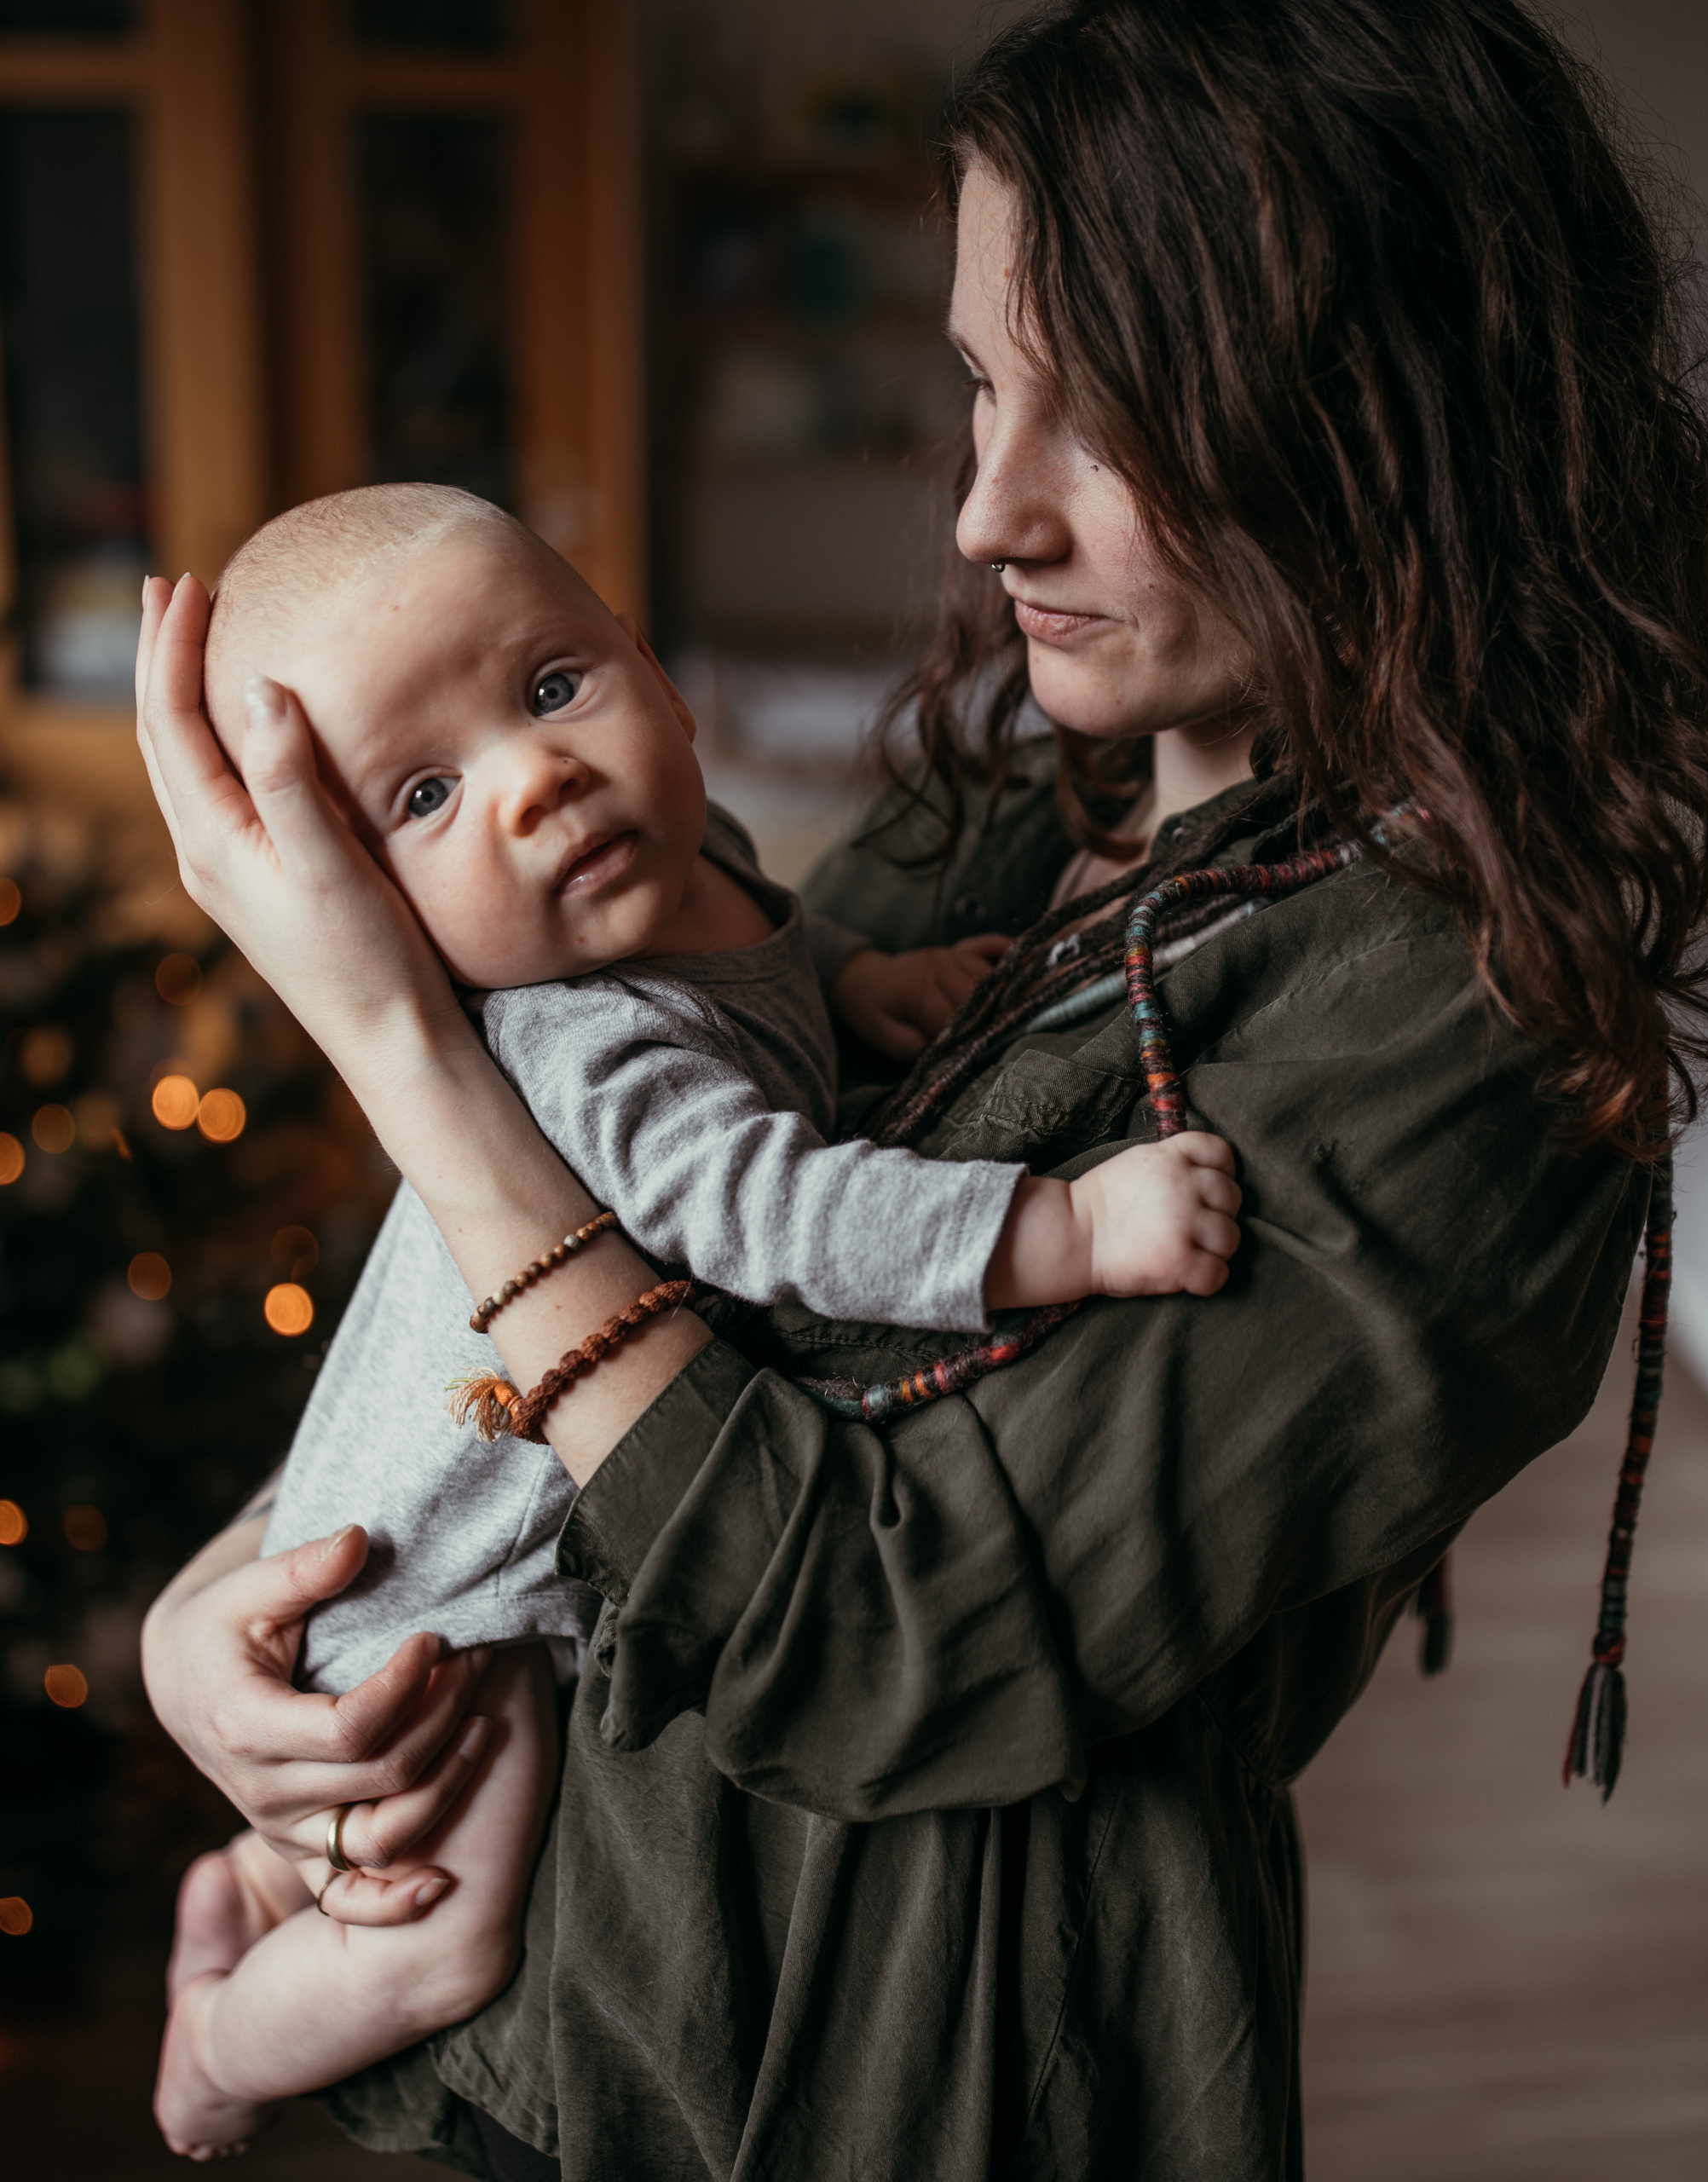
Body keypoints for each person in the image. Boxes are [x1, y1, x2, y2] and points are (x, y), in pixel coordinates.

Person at [136, 2, 1708, 2174]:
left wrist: (397, 1046)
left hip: (919, 2083)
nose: (992, 511)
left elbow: (880, 1642)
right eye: (984, 386)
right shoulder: (999, 820)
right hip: (574, 2025)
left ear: (1398, 423)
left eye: (1120, 416)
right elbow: (593, 1224)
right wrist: (228, 1595)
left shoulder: (1462, 1035)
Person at [149, 482, 1243, 2161]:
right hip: (424, 1618)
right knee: (438, 1937)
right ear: (364, 912)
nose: (537, 779)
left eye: (552, 686)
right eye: (425, 796)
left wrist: (856, 981)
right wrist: (1068, 1227)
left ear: (649, 671)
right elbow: (779, 1211)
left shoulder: (685, 863)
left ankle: (249, 1881)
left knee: (367, 1860)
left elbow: (768, 948)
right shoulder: (589, 1049)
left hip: (397, 1515)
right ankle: (219, 2050)